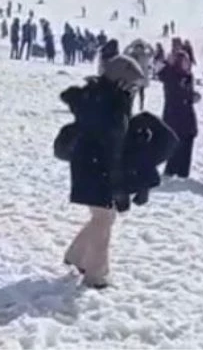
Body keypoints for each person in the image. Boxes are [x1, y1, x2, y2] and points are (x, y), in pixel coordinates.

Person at [58, 55, 149, 288]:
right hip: (98, 168)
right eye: (132, 84)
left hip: (89, 165)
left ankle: (76, 255)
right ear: (121, 81)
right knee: (103, 218)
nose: (134, 90)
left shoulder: (101, 97)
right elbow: (113, 148)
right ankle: (95, 275)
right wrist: (119, 186)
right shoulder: (112, 105)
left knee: (103, 217)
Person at [158, 51, 199, 178]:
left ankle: (183, 172)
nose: (187, 64)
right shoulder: (171, 75)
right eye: (184, 61)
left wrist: (192, 97)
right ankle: (171, 170)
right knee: (176, 144)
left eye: (188, 61)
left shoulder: (188, 76)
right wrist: (190, 96)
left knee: (188, 142)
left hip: (187, 115)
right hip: (174, 115)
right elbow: (174, 92)